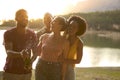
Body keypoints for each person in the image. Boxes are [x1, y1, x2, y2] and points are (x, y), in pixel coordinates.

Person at [3, 9, 37, 80]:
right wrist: (20, 54)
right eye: (22, 16)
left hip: (26, 73)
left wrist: (31, 61)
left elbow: (35, 53)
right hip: (11, 72)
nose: (25, 18)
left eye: (26, 17)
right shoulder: (8, 33)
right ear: (16, 18)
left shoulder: (32, 34)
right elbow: (8, 52)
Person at [64, 15, 87, 80]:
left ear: (78, 29)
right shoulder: (63, 37)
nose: (71, 28)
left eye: (74, 27)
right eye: (70, 25)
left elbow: (78, 60)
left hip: (69, 69)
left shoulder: (79, 43)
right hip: (57, 67)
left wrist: (63, 60)